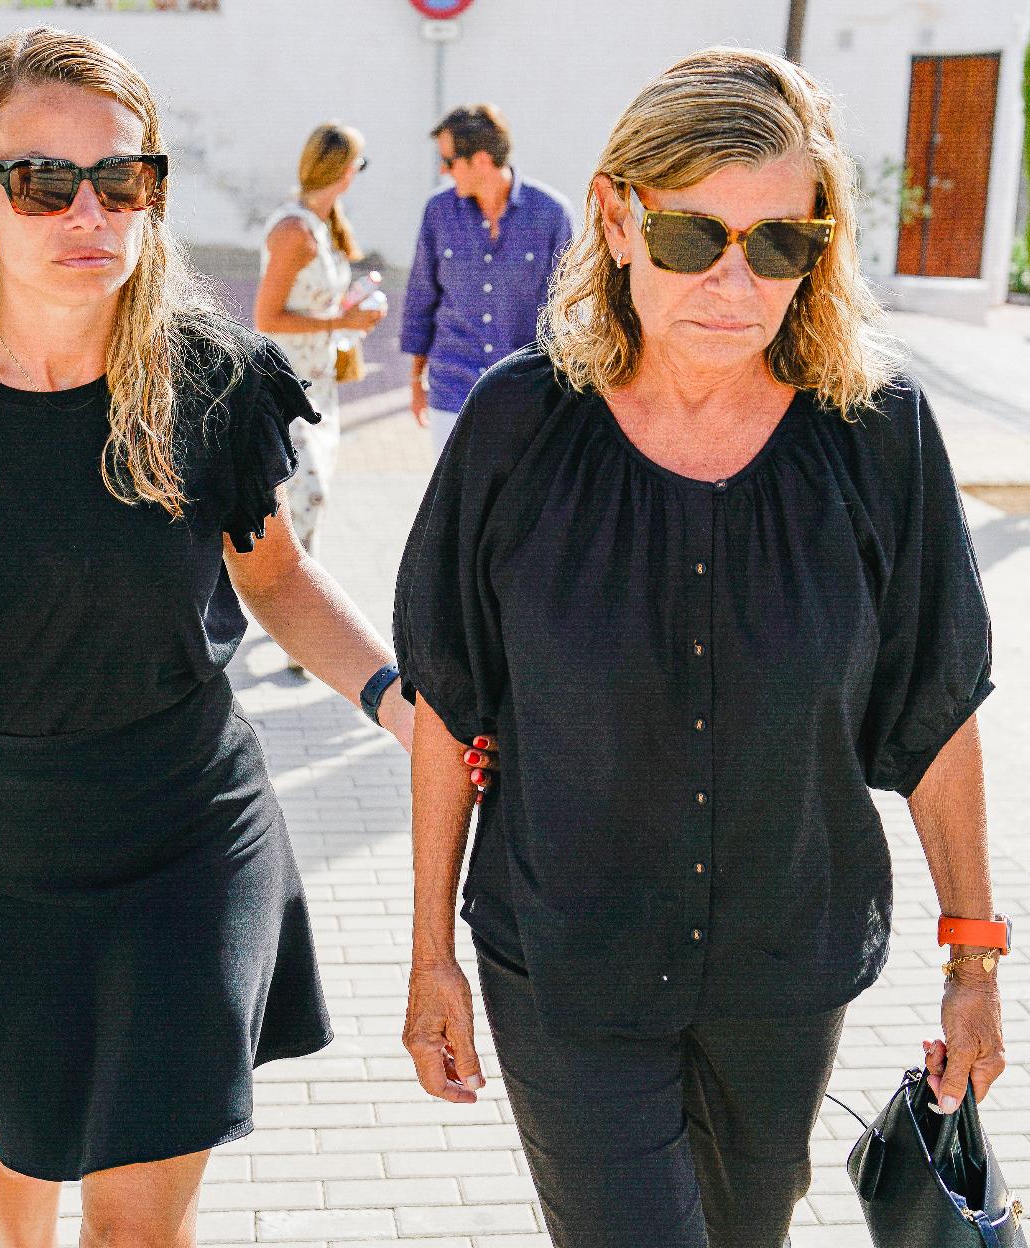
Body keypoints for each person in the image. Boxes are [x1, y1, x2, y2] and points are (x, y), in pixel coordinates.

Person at [0, 27, 413, 1248]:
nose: (92, 211)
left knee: (135, 1225)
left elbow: (277, 580)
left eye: (125, 180)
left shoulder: (211, 383)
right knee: (18, 1147)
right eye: (46, 181)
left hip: (188, 836)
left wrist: (399, 699)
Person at [394, 47, 1005, 1248]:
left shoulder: (880, 439)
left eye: (778, 243)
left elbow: (936, 710)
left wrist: (976, 963)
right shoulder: (518, 426)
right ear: (619, 217)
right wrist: (428, 960)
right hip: (563, 965)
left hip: (788, 968)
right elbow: (449, 704)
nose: (735, 280)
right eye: (693, 237)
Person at [400, 103, 574, 458]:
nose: (443, 170)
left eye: (449, 162)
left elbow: (569, 311)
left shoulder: (551, 214)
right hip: (452, 391)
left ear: (479, 160)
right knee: (453, 508)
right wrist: (416, 381)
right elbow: (422, 298)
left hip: (527, 394)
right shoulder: (438, 212)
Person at [254, 122, 385, 568]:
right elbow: (266, 317)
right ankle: (279, 590)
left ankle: (297, 596)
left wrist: (352, 307)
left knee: (307, 501)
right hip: (287, 387)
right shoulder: (294, 230)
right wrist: (343, 319)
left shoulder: (325, 224)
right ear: (346, 170)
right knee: (309, 494)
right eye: (359, 164)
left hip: (321, 384)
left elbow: (315, 299)